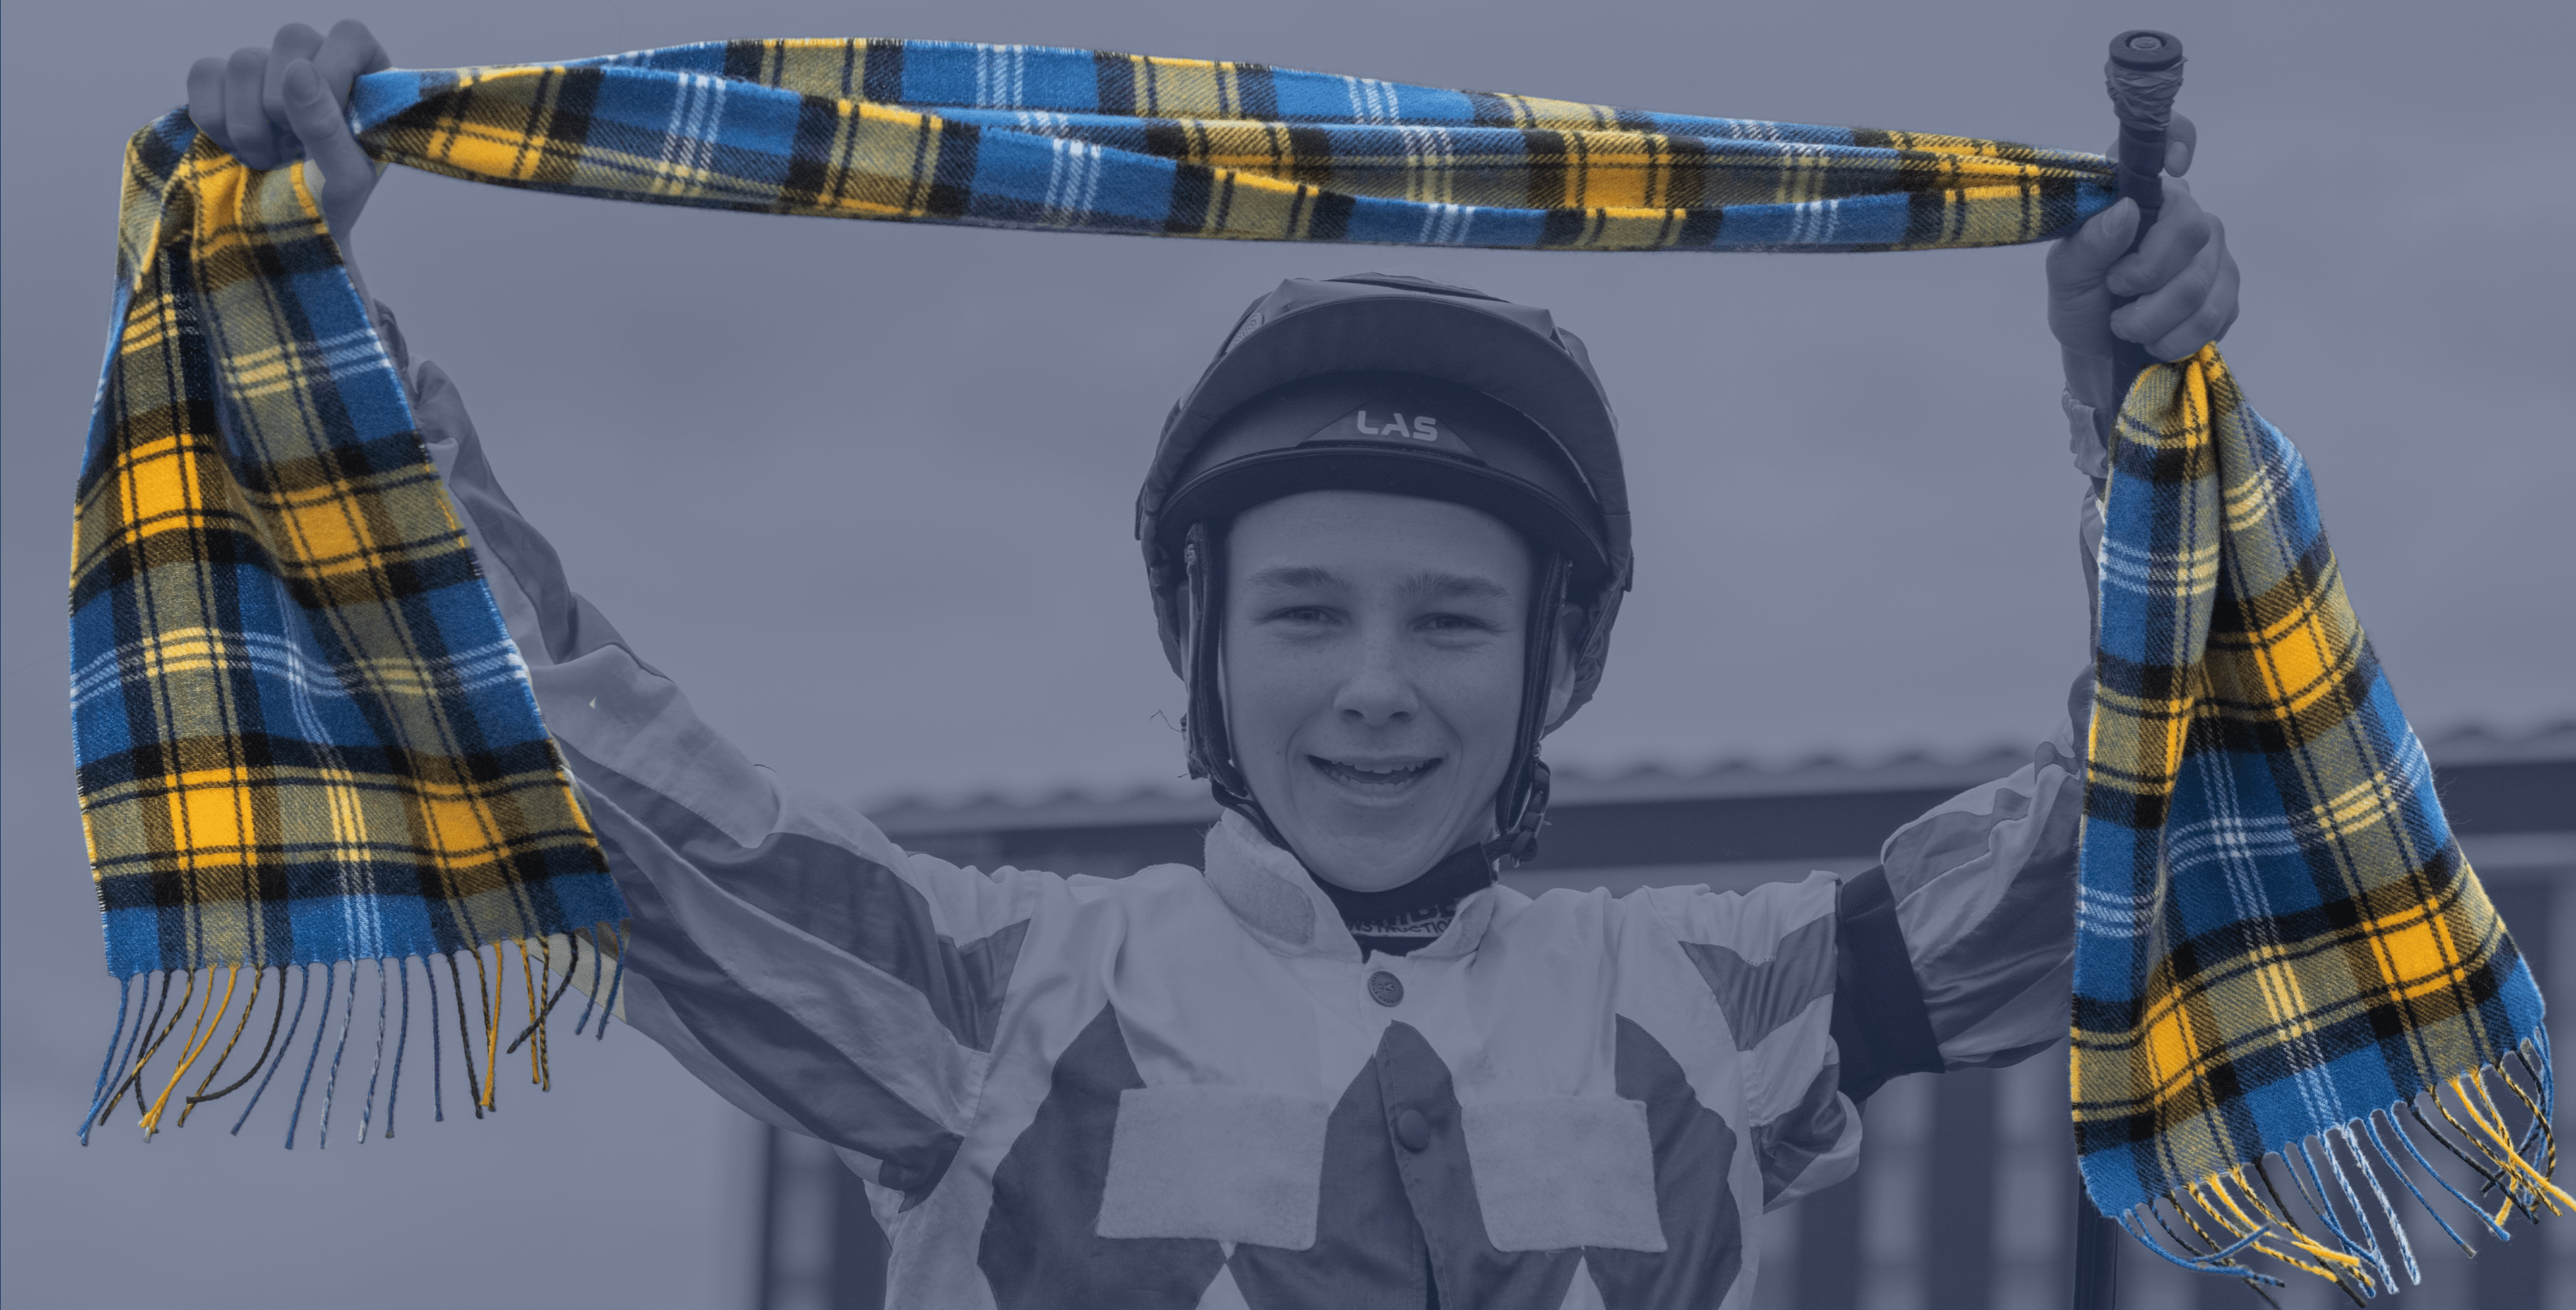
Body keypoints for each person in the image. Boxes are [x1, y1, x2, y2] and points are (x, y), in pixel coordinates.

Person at [187, 22, 2239, 1309]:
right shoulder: (985, 997)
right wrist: (297, 308)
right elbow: (562, 760)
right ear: (1199, 640)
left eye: (1451, 622)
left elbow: (2177, 824)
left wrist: (2139, 418)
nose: (1375, 685)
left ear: (1565, 662)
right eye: (1304, 611)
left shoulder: (1726, 1000)